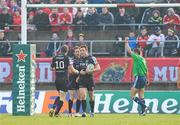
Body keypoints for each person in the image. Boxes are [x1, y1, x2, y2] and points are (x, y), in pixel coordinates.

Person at [49, 45, 79, 117]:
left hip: (57, 79)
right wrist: (77, 72)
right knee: (62, 97)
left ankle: (53, 108)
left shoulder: (55, 57)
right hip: (64, 79)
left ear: (60, 50)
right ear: (67, 51)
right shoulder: (67, 58)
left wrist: (58, 69)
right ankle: (56, 113)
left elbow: (51, 68)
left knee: (59, 95)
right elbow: (71, 69)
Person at [125, 37, 150, 116]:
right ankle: (143, 112)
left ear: (136, 53)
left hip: (138, 77)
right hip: (143, 77)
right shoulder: (143, 59)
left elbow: (129, 51)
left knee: (132, 96)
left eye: (134, 52)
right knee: (141, 95)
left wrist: (126, 42)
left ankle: (145, 107)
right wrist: (148, 79)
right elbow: (147, 70)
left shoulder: (137, 58)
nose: (133, 54)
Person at [78, 45, 101, 117]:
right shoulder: (79, 59)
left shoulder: (92, 58)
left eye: (83, 50)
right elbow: (78, 69)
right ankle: (84, 112)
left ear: (86, 51)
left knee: (91, 97)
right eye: (80, 51)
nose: (81, 52)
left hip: (89, 79)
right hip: (82, 79)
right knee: (83, 96)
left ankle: (92, 112)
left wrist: (91, 70)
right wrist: (79, 73)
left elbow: (98, 68)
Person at [68, 46, 81, 117]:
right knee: (72, 97)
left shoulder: (82, 60)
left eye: (78, 51)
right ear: (74, 53)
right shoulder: (72, 60)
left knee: (79, 97)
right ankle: (70, 113)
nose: (78, 53)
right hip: (72, 80)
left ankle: (77, 112)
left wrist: (79, 75)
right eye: (76, 52)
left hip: (79, 81)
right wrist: (77, 72)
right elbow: (70, 71)